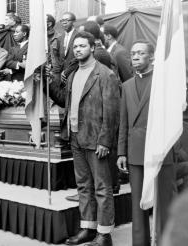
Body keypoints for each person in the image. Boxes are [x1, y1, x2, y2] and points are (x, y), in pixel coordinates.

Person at [49, 31, 120, 246]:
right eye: (76, 47)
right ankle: (87, 228)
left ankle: (104, 234)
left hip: (96, 139)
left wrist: (105, 141)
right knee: (83, 186)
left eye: (82, 46)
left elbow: (111, 111)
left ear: (92, 48)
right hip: (75, 138)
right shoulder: (72, 75)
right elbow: (64, 101)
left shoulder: (105, 74)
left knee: (102, 188)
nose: (78, 49)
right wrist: (49, 81)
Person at [117, 40, 177, 246]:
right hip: (134, 153)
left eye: (140, 53)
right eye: (133, 53)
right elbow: (123, 122)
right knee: (137, 205)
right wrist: (121, 152)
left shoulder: (163, 83)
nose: (134, 57)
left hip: (159, 151)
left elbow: (174, 119)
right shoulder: (125, 86)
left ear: (151, 57)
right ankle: (139, 242)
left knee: (164, 202)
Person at [52, 12, 78, 82]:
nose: (64, 23)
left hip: (75, 73)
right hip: (61, 76)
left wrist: (67, 71)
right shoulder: (60, 38)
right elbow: (57, 56)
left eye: (67, 20)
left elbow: (78, 57)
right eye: (62, 20)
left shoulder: (79, 36)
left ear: (73, 22)